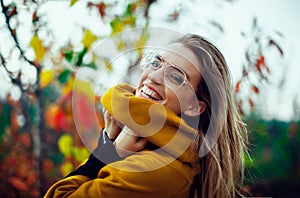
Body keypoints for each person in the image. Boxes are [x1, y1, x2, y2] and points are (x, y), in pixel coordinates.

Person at [44, 34, 248, 198]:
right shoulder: (155, 148)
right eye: (156, 63)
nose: (153, 76)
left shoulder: (157, 170)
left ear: (195, 107)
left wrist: (108, 152)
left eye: (175, 77)